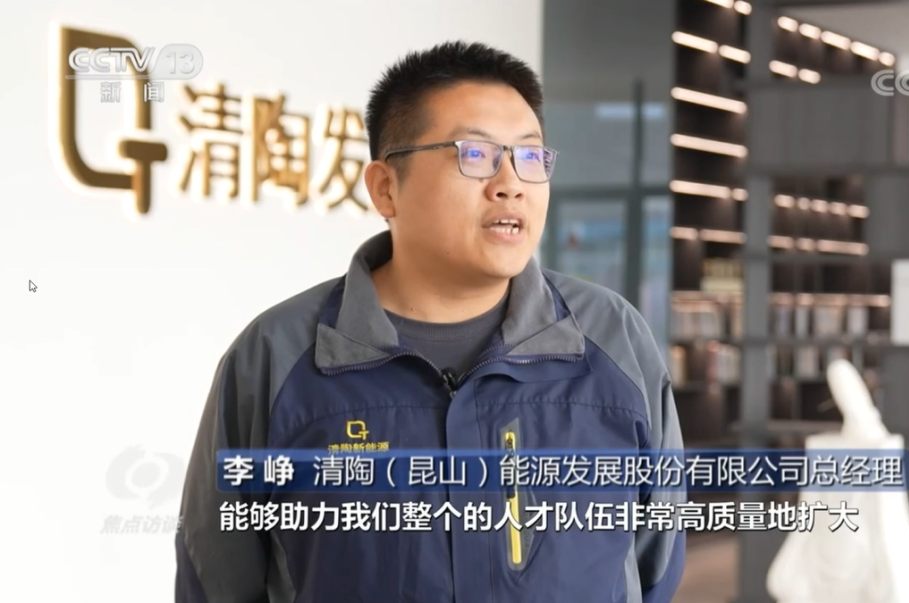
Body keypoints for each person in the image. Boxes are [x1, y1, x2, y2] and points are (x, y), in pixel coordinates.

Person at [175, 40, 686, 603]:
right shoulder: (278, 355)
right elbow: (216, 577)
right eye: (476, 154)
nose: (511, 182)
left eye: (530, 156)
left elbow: (655, 560)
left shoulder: (612, 338)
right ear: (386, 188)